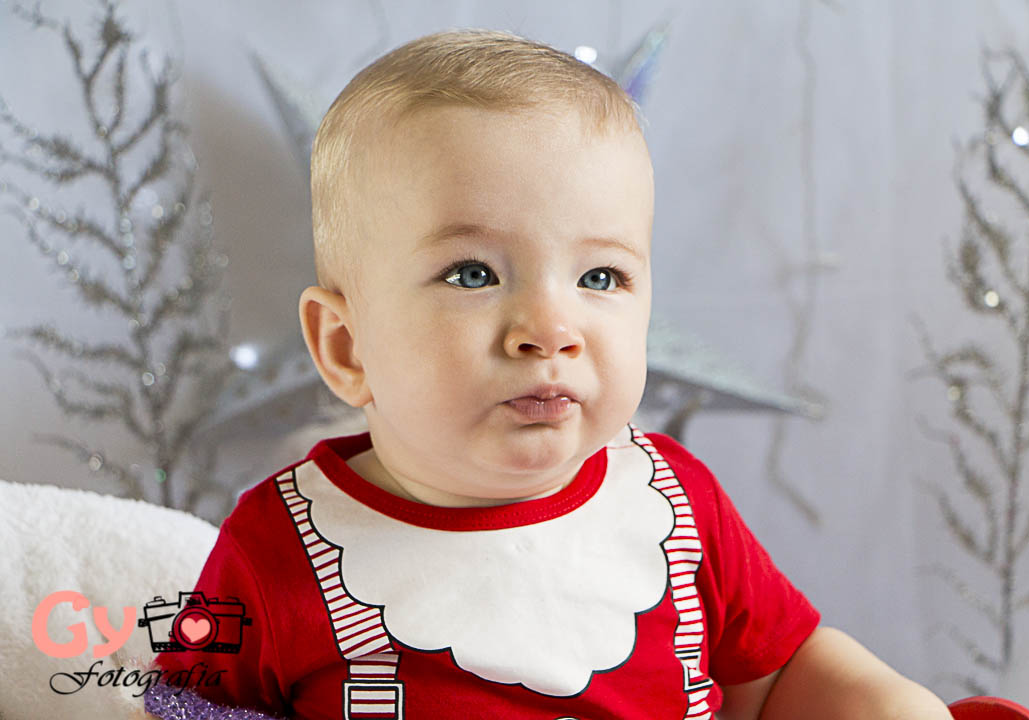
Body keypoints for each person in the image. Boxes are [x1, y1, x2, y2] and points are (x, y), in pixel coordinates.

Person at [150, 28, 953, 720]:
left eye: (599, 278)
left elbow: (775, 675)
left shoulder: (671, 500)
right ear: (346, 347)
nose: (550, 330)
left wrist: (883, 701)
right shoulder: (281, 547)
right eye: (472, 273)